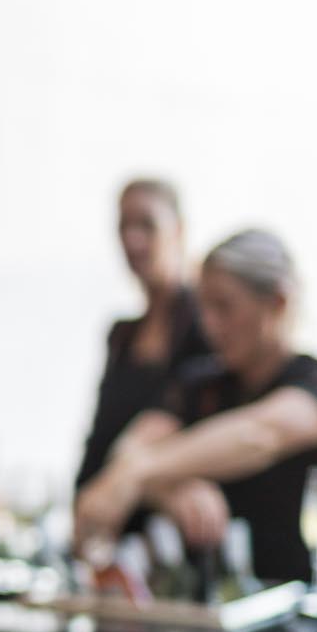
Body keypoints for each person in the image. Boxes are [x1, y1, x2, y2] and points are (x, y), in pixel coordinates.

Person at [74, 228, 317, 584]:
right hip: (217, 607)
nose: (209, 324)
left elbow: (259, 435)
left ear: (278, 302)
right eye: (204, 307)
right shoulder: (198, 383)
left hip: (313, 602)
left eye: (224, 306)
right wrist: (171, 489)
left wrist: (142, 472)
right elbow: (132, 448)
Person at [75, 177, 209, 492]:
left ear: (178, 230)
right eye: (124, 226)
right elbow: (99, 440)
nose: (132, 240)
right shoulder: (121, 335)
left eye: (147, 225)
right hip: (104, 505)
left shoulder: (204, 325)